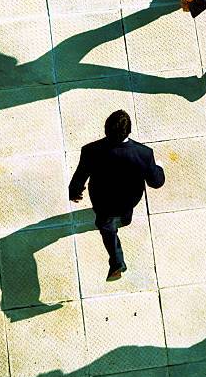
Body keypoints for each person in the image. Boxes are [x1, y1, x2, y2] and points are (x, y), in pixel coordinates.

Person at [69, 110, 165, 281]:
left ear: (106, 129)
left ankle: (117, 261)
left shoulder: (91, 150)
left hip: (102, 201)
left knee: (105, 226)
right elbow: (156, 182)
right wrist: (159, 167)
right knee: (126, 212)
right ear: (129, 132)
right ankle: (126, 220)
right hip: (129, 200)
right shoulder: (144, 153)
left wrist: (74, 192)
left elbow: (80, 176)